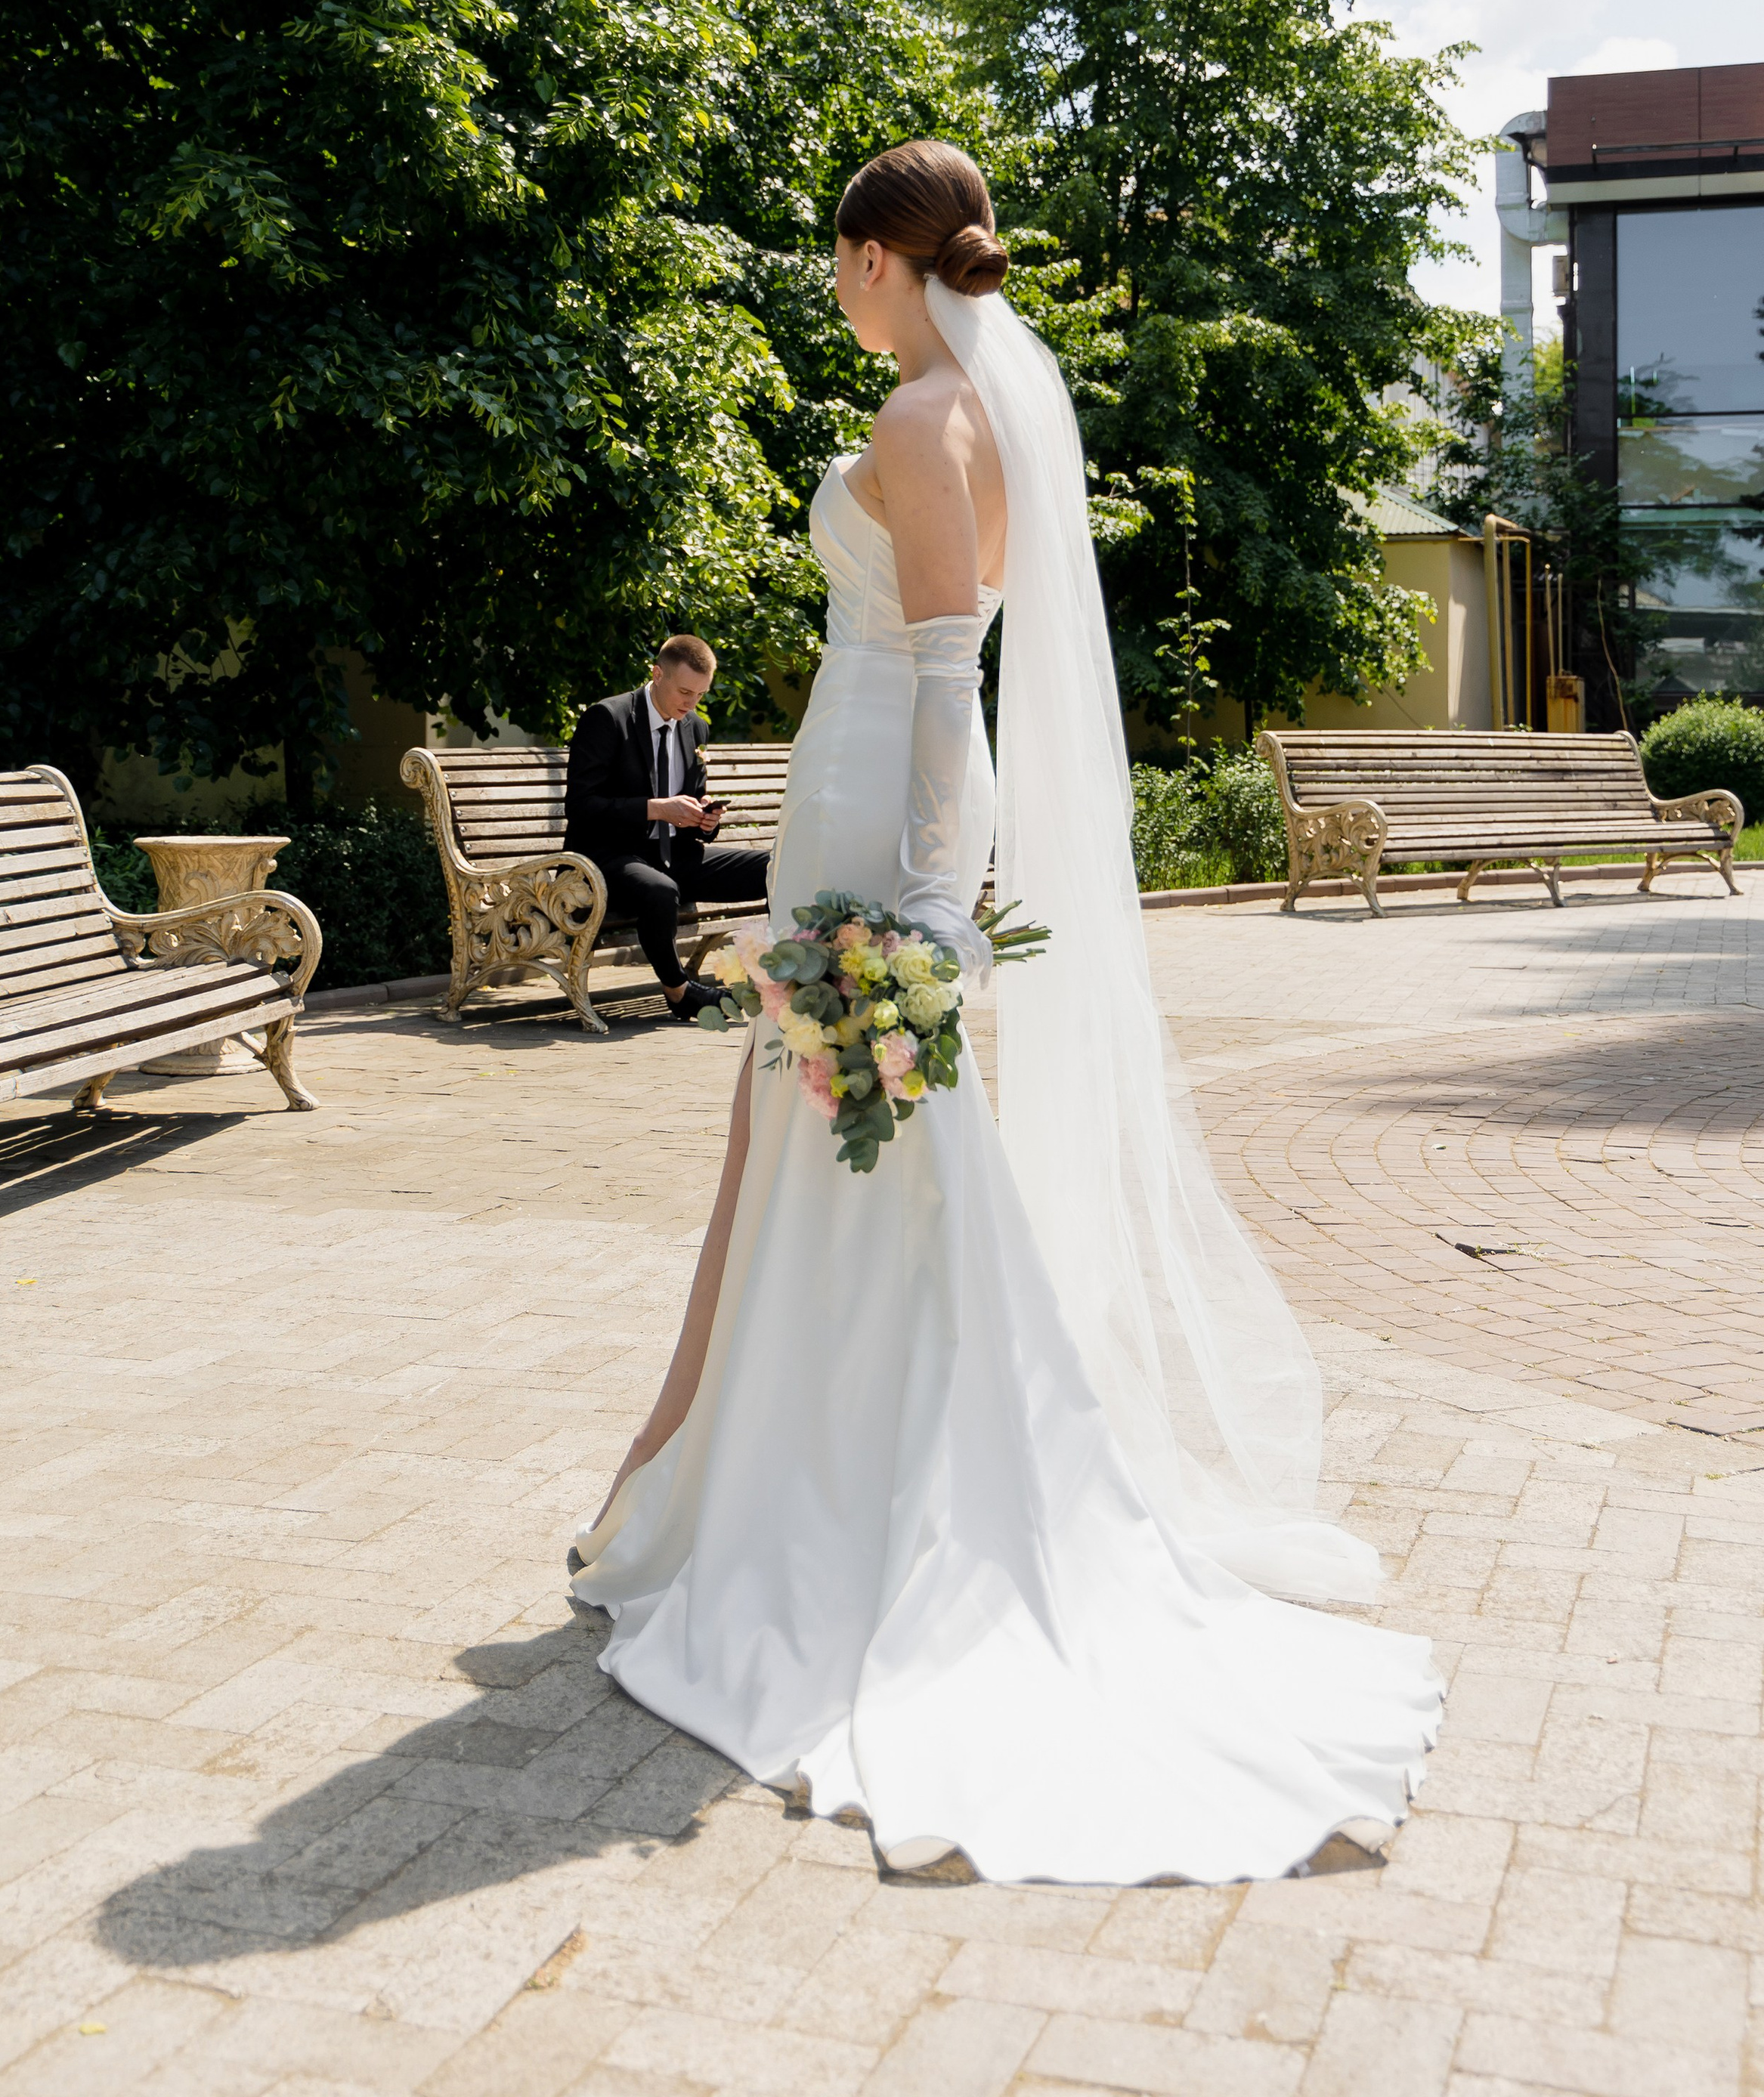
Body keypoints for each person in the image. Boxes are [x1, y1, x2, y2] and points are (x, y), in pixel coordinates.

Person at [572, 141, 1442, 1885]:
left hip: (865, 840)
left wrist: (915, 908)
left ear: (874, 256)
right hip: (854, 814)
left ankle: (845, 1516)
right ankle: (706, 1473)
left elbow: (943, 682)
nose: (829, 280)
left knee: (874, 1163)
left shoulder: (920, 420)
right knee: (797, 1156)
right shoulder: (964, 402)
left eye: (835, 253)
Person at [564, 636, 771, 1022]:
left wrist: (705, 821)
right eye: (685, 691)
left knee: (777, 866)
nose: (691, 704)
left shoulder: (696, 728)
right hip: (608, 856)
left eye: (700, 695)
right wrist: (657, 809)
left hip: (674, 855)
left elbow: (691, 805)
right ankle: (680, 993)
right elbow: (579, 806)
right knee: (660, 891)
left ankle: (778, 979)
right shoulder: (609, 718)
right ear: (657, 674)